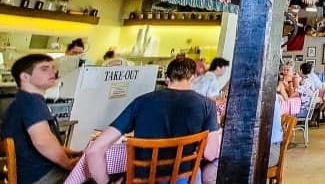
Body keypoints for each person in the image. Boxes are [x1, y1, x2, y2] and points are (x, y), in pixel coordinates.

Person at [86, 58, 219, 184]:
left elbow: (93, 151)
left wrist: (108, 183)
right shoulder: (208, 105)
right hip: (184, 179)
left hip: (143, 180)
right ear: (193, 77)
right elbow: (210, 154)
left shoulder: (141, 102)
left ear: (167, 78)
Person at [1, 54, 80, 184]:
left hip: (30, 175)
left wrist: (75, 153)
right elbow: (43, 141)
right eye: (44, 69)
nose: (53, 72)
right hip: (41, 176)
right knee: (100, 171)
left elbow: (50, 141)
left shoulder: (22, 101)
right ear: (25, 77)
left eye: (53, 67)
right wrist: (69, 164)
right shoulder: (31, 102)